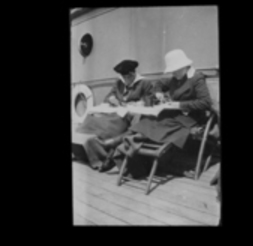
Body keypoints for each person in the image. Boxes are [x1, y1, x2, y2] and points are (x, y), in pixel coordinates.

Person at [114, 49, 213, 178]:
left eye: (176, 70)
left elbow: (205, 102)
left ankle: (134, 141)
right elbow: (159, 83)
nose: (174, 73)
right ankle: (133, 142)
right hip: (176, 115)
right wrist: (158, 92)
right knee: (149, 121)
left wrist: (179, 105)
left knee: (160, 125)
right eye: (172, 70)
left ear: (184, 66)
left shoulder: (196, 78)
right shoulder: (175, 78)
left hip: (191, 118)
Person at [75, 60, 153, 171]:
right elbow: (108, 97)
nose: (125, 81)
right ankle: (90, 145)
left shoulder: (145, 83)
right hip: (116, 111)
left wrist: (137, 104)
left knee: (106, 125)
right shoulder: (119, 83)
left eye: (127, 78)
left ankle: (104, 150)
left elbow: (149, 102)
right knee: (92, 117)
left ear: (133, 74)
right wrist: (114, 100)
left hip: (128, 116)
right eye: (123, 78)